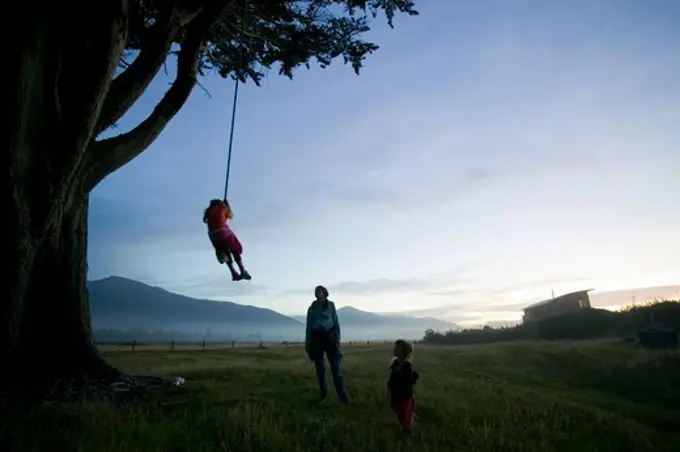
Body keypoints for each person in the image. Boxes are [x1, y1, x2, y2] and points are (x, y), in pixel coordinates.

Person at [304, 285, 349, 404]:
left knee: (336, 368)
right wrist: (308, 343)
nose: (317, 293)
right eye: (316, 291)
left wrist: (338, 339)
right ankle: (323, 394)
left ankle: (343, 396)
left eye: (320, 291)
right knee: (320, 369)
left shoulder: (331, 305)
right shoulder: (312, 308)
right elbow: (308, 326)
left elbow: (336, 323)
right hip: (316, 337)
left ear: (324, 293)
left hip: (330, 337)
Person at [202, 198, 251, 281]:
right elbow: (231, 216)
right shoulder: (223, 207)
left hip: (213, 235)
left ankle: (234, 273)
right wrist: (227, 205)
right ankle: (242, 271)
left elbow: (205, 220)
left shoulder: (208, 210)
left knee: (224, 253)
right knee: (235, 249)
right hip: (223, 232)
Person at [387, 339, 420, 433]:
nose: (394, 349)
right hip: (395, 393)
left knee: (404, 413)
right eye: (395, 347)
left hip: (405, 395)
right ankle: (407, 422)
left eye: (397, 348)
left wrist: (412, 377)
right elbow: (392, 377)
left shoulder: (407, 365)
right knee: (397, 410)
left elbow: (408, 380)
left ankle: (408, 430)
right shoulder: (395, 363)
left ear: (404, 351)